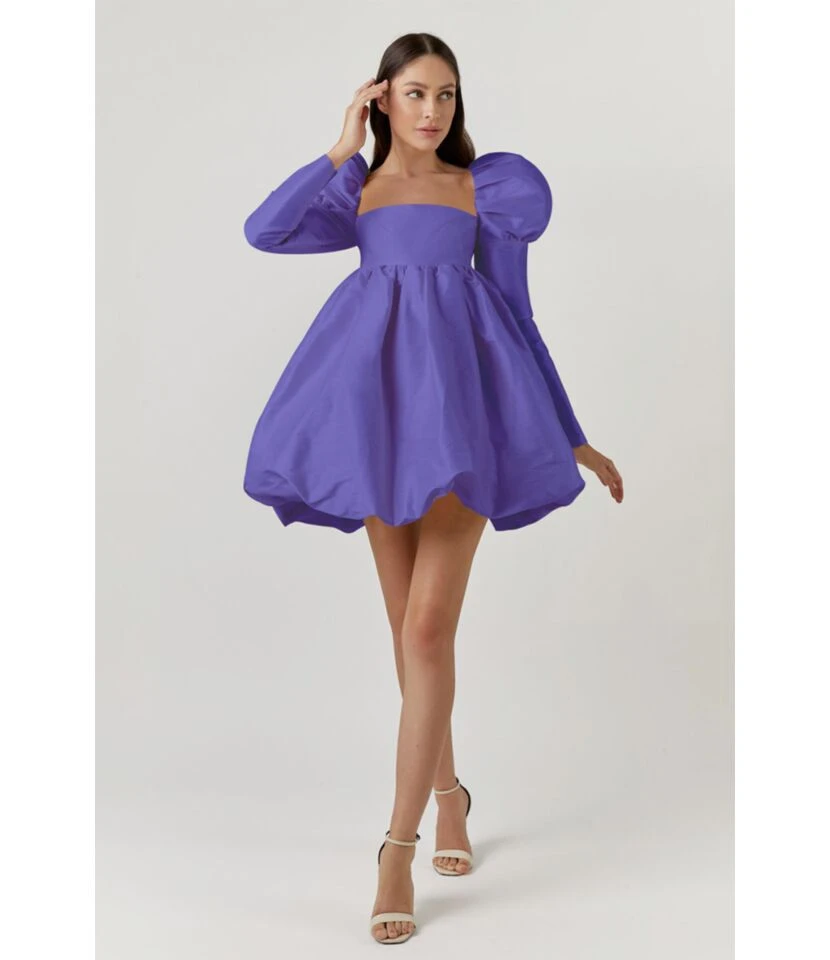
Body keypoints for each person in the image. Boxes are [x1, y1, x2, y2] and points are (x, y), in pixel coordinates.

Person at [242, 33, 623, 945]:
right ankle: (450, 794)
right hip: (378, 421)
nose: (432, 110)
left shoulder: (486, 188)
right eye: (414, 93)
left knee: (426, 629)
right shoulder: (357, 190)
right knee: (407, 635)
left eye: (446, 94)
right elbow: (265, 231)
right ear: (382, 98)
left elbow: (519, 315)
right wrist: (340, 145)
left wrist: (569, 431)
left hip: (464, 418)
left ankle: (397, 847)